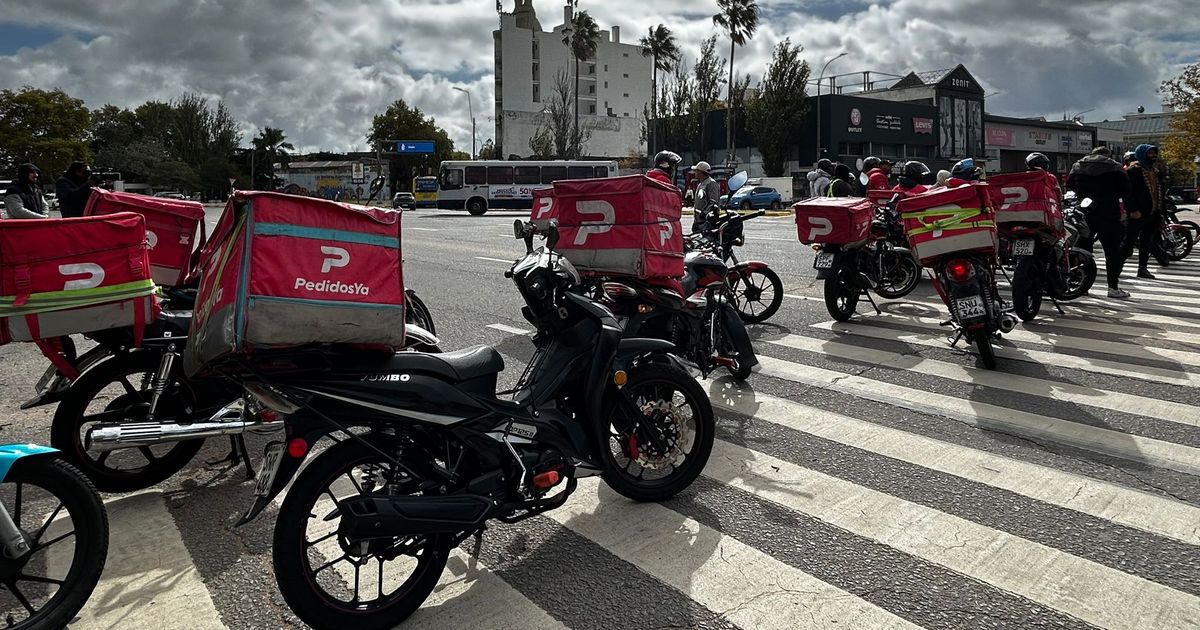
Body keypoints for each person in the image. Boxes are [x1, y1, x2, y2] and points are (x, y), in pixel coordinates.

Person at [1067, 146, 1131, 298]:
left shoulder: (1078, 165)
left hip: (1085, 211)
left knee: (1082, 249)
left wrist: (1083, 193)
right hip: (1109, 212)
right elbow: (1126, 190)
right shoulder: (1115, 167)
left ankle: (1082, 286)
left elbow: (1070, 185)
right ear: (1107, 154)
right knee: (1112, 252)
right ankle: (1113, 288)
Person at [1124, 143, 1166, 279]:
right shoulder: (1132, 171)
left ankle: (1142, 268)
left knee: (1146, 242)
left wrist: (1161, 212)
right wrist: (1133, 210)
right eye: (1150, 153)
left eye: (1154, 153)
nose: (1153, 156)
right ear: (1142, 154)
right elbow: (1127, 194)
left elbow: (1160, 193)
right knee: (1128, 243)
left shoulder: (1155, 171)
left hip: (1153, 213)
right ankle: (1115, 270)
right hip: (1138, 214)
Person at [690, 160, 721, 234]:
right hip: (698, 221)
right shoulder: (701, 184)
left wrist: (704, 213)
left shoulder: (711, 183)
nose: (694, 172)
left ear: (700, 171)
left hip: (706, 222)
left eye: (696, 170)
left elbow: (713, 202)